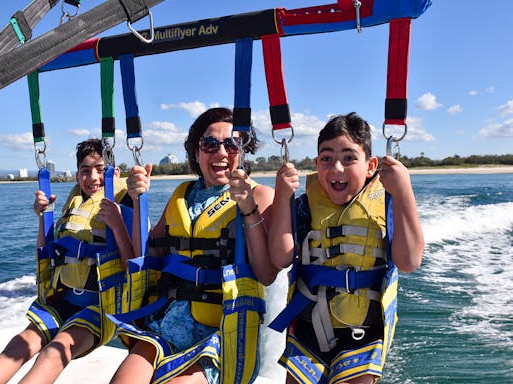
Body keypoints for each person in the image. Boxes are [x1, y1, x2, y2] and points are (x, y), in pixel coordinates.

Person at [109, 107, 279, 384]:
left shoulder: (260, 195)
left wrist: (248, 209)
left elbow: (267, 274)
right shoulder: (182, 195)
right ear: (196, 152)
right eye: (210, 144)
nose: (221, 152)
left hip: (221, 334)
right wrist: (138, 199)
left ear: (243, 149)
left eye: (232, 143)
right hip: (166, 322)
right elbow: (150, 253)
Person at [268, 112, 424, 384]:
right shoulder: (303, 207)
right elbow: (280, 258)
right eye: (326, 158)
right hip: (307, 329)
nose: (336, 168)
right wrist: (282, 197)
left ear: (371, 165)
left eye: (349, 158)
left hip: (365, 332)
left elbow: (409, 262)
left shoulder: (389, 204)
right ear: (317, 164)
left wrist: (404, 192)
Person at [0, 139, 134, 384]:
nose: (93, 178)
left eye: (100, 169)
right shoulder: (76, 204)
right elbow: (48, 252)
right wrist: (43, 217)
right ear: (78, 176)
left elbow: (134, 266)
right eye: (85, 171)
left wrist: (118, 225)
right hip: (63, 299)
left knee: (53, 353)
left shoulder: (125, 206)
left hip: (102, 307)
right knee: (19, 345)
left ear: (114, 173)